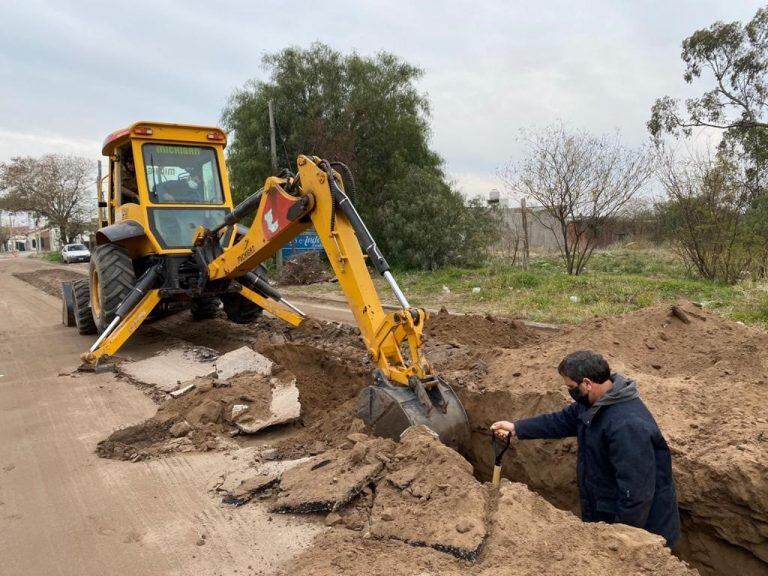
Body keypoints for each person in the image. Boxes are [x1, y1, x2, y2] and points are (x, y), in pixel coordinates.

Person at [491, 350, 681, 548]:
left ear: (587, 383)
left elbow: (636, 494)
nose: (570, 392)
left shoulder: (627, 426)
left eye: (571, 387)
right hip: (604, 509)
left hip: (645, 533)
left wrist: (621, 540)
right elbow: (561, 421)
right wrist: (517, 428)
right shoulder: (592, 403)